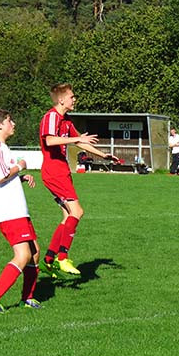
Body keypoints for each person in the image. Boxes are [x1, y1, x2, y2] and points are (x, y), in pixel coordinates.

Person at [39, 83, 119, 277]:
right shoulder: (52, 117)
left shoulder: (66, 121)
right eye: (72, 97)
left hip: (61, 172)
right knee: (78, 211)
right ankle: (62, 257)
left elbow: (80, 141)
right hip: (54, 172)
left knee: (68, 216)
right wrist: (76, 140)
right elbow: (49, 140)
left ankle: (49, 260)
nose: (74, 99)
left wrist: (103, 155)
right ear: (61, 100)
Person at [0, 109, 42, 313]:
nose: (13, 123)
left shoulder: (1, 148)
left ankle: (28, 297)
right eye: (9, 120)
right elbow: (1, 176)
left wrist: (20, 178)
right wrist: (21, 166)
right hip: (8, 210)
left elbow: (2, 176)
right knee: (23, 254)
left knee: (34, 252)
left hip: (16, 209)